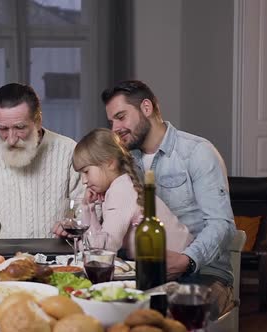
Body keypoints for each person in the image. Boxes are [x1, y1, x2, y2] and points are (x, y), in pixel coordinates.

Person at [101, 80, 236, 318]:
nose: (115, 128)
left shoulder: (197, 152)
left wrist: (186, 260)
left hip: (204, 274)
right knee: (104, 310)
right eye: (111, 121)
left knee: (171, 317)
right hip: (139, 271)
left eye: (121, 117)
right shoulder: (125, 160)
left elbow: (222, 224)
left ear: (146, 107)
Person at [0, 83, 83, 239]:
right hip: (3, 257)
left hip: (58, 255)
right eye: (2, 129)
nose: (11, 139)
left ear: (38, 120)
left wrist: (73, 224)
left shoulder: (68, 150)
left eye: (20, 127)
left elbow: (84, 208)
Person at [54, 128, 193, 256]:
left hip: (177, 264)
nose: (84, 181)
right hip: (161, 261)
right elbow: (98, 237)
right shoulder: (118, 187)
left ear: (110, 163)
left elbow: (106, 247)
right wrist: (88, 207)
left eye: (86, 172)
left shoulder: (121, 191)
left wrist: (75, 245)